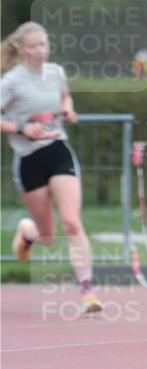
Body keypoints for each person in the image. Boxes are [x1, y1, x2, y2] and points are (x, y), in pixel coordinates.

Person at [1, 21, 102, 313]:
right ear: (21, 49)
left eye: (44, 44)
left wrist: (68, 108)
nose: (41, 51)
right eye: (34, 46)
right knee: (48, 236)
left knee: (72, 222)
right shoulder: (11, 81)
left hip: (58, 151)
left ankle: (88, 291)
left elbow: (64, 95)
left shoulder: (56, 72)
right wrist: (20, 128)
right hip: (29, 160)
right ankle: (29, 233)